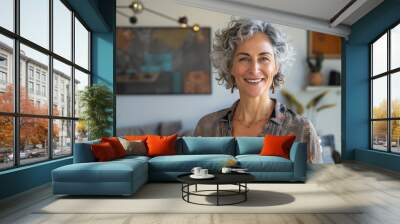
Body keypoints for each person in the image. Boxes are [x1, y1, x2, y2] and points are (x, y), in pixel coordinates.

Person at [193, 18, 322, 163]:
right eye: (244, 59)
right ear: (230, 66)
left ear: (276, 66)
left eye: (264, 58)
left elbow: (314, 185)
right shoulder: (207, 127)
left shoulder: (302, 130)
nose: (254, 69)